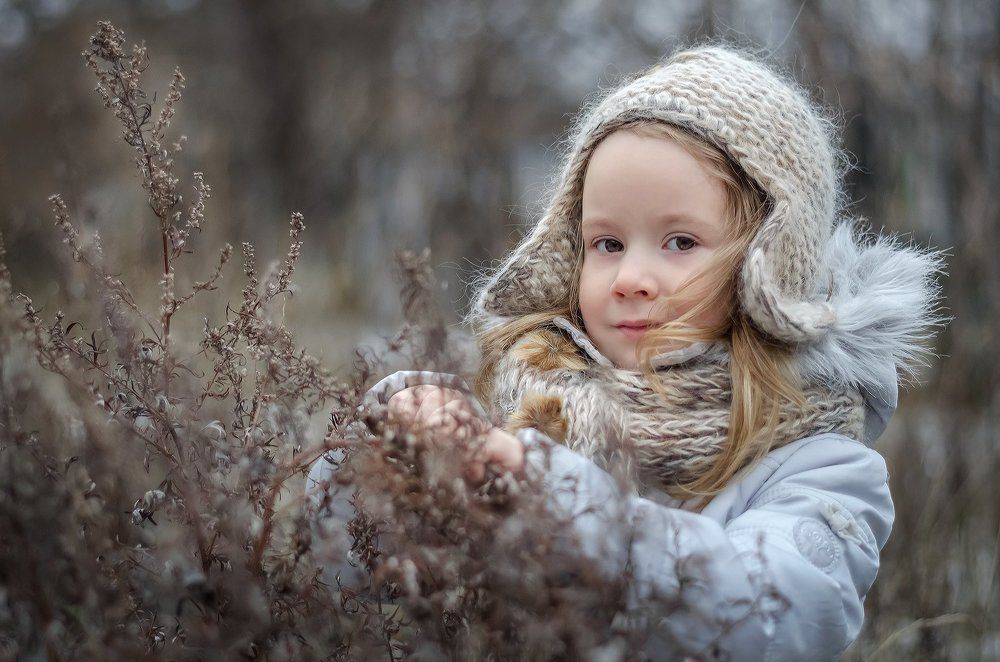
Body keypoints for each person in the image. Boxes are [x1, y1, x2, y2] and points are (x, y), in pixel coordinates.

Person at [307, 45, 944, 659]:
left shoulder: (817, 467)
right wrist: (391, 456)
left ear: (769, 265)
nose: (630, 277)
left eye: (680, 242)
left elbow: (773, 614)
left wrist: (556, 503)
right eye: (607, 244)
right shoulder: (525, 405)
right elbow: (352, 574)